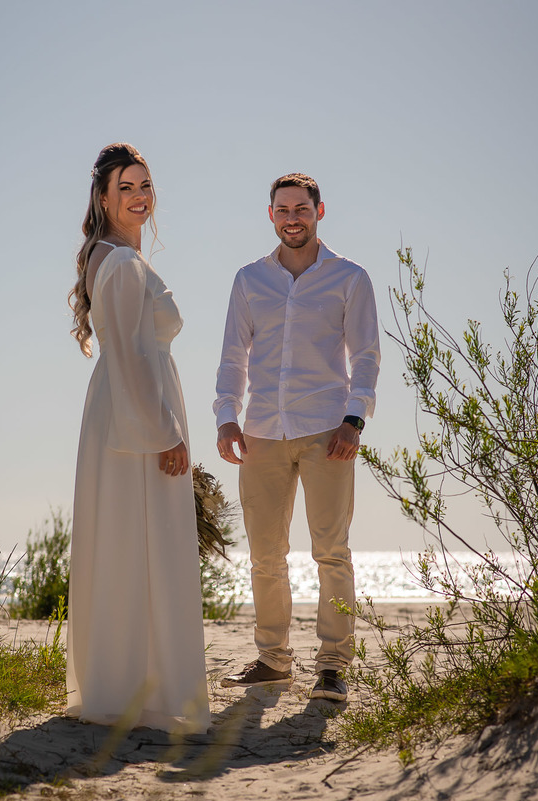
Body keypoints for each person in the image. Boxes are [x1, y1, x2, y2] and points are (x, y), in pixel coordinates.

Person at [215, 173, 380, 703]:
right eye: (283, 209)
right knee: (265, 554)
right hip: (261, 431)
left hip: (328, 430)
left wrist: (355, 420)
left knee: (331, 551)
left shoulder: (350, 278)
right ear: (271, 215)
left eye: (302, 209)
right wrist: (225, 415)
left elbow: (367, 356)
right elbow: (233, 357)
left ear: (319, 211)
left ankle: (333, 667)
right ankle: (273, 660)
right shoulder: (248, 280)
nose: (293, 218)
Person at [65, 143, 210, 734]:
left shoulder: (116, 256)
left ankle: (125, 683)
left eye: (145, 185)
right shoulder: (121, 264)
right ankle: (134, 690)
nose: (138, 196)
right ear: (103, 197)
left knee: (128, 542)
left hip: (123, 410)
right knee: (140, 541)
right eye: (126, 187)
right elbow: (128, 357)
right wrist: (166, 433)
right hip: (135, 417)